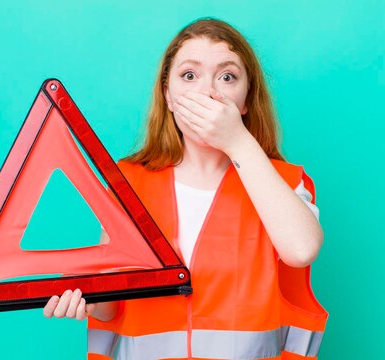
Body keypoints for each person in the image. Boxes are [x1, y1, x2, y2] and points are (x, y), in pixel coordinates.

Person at [43, 17, 328, 359]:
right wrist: (85, 297)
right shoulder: (129, 183)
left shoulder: (281, 182)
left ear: (246, 100)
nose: (208, 92)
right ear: (168, 95)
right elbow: (112, 305)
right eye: (189, 75)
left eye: (227, 77)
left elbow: (301, 250)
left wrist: (237, 141)